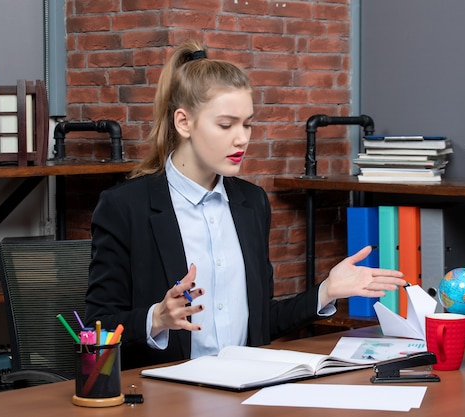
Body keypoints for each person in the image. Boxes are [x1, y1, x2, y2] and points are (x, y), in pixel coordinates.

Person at [85, 39, 406, 370]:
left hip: (244, 390)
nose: (242, 138)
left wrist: (326, 291)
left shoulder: (250, 203)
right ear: (184, 123)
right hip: (164, 396)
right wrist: (158, 318)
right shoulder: (125, 207)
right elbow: (96, 327)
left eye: (247, 124)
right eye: (226, 125)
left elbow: (260, 321)